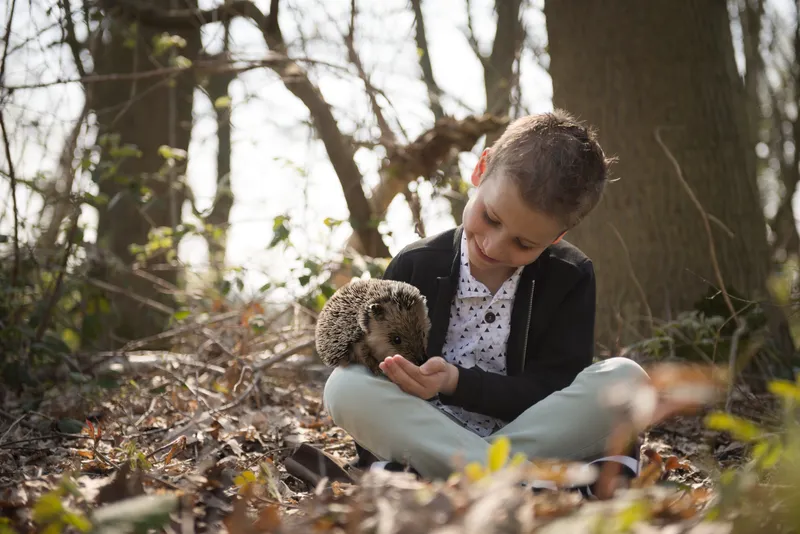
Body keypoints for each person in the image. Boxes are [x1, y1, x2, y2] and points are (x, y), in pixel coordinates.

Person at [321, 109, 650, 494]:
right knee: (345, 385)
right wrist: (405, 380)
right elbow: (380, 375)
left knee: (629, 380)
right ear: (481, 169)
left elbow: (554, 388)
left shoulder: (570, 275)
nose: (494, 246)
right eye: (491, 217)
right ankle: (523, 485)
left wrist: (457, 382)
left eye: (524, 244)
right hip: (428, 428)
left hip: (528, 433)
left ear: (558, 236)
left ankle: (457, 479)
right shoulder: (416, 263)